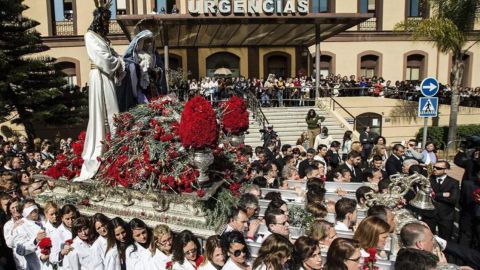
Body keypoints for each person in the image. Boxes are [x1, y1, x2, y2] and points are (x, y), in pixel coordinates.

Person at [75, 0, 124, 182]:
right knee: (101, 113)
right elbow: (104, 59)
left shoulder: (103, 38)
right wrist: (118, 62)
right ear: (98, 19)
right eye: (105, 20)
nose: (107, 24)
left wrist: (118, 62)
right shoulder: (90, 36)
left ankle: (114, 145)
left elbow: (112, 58)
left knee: (113, 112)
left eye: (108, 20)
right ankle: (100, 149)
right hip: (98, 75)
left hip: (107, 78)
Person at [116, 30, 156, 112]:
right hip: (135, 90)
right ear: (140, 43)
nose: (149, 44)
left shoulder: (153, 56)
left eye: (150, 42)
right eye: (146, 42)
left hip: (149, 89)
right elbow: (132, 74)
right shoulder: (132, 59)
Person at [430, 161, 459, 240]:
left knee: (445, 240)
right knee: (428, 238)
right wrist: (442, 194)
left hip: (446, 215)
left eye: (438, 168)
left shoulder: (453, 182)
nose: (435, 169)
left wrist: (434, 195)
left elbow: (453, 199)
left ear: (446, 170)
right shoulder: (429, 179)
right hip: (430, 214)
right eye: (434, 167)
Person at [12, 199, 45, 270]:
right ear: (23, 213)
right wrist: (35, 240)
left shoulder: (45, 219)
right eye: (29, 209)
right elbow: (20, 250)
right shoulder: (20, 226)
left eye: (34, 207)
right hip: (38, 266)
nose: (33, 211)